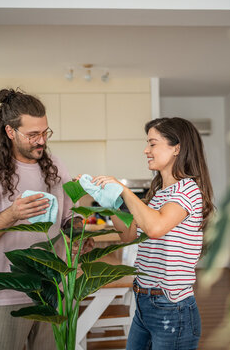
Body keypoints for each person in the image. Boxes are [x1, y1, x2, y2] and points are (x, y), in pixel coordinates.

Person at [0, 88, 81, 350]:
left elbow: (70, 217)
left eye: (45, 132)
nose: (41, 141)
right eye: (33, 135)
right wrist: (12, 214)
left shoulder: (57, 167)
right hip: (7, 294)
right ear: (10, 132)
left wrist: (78, 235)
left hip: (54, 290)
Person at [92, 117, 214, 350]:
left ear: (176, 148)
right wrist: (109, 204)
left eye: (153, 143)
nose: (146, 150)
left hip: (172, 309)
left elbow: (155, 228)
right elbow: (128, 236)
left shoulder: (188, 190)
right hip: (145, 302)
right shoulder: (159, 194)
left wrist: (124, 190)